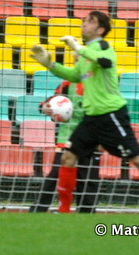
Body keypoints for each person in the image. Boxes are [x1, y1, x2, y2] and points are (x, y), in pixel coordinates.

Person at [29, 11, 139, 213]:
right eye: (84, 21)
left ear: (100, 30)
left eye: (89, 22)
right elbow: (74, 75)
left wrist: (78, 48)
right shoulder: (84, 55)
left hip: (111, 115)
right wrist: (50, 64)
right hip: (91, 119)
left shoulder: (104, 47)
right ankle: (64, 212)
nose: (84, 24)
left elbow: (103, 61)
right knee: (67, 158)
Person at [29, 80, 101, 214]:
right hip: (67, 138)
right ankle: (38, 210)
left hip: (92, 138)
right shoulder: (68, 84)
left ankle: (87, 213)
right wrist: (46, 108)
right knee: (55, 174)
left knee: (88, 179)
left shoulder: (100, 85)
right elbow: (47, 103)